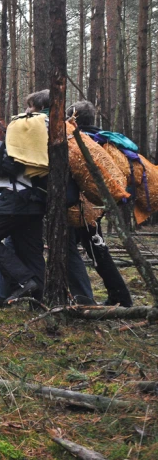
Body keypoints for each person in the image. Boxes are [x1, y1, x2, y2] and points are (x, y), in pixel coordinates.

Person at [0, 92, 50, 306]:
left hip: (14, 198)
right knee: (31, 250)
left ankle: (24, 281)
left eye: (30, 106)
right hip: (36, 199)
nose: (27, 110)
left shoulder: (17, 131)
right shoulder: (46, 129)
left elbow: (12, 164)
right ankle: (39, 301)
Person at [66, 100, 132, 307]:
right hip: (96, 206)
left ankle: (113, 297)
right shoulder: (105, 140)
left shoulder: (78, 141)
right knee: (92, 249)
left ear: (72, 118)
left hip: (81, 207)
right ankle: (118, 296)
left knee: (88, 251)